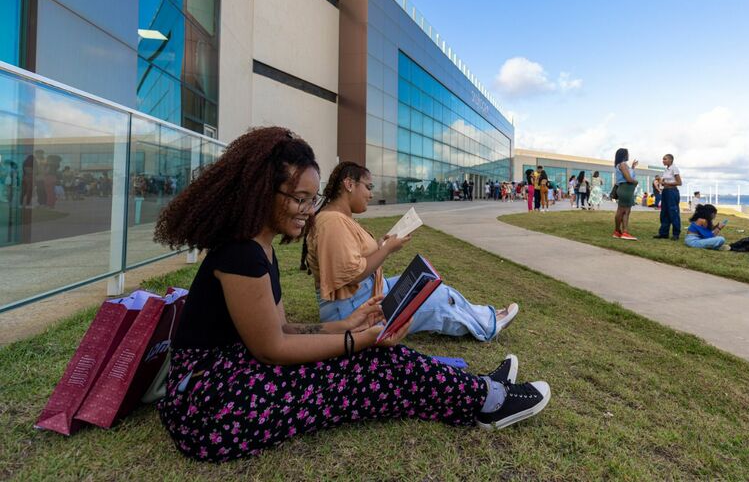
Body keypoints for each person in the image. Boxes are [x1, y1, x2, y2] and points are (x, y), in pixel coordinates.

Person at [152, 128, 550, 462]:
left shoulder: (261, 249)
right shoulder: (240, 253)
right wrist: (355, 340)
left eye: (311, 199)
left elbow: (282, 328)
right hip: (211, 404)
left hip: (235, 376)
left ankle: (478, 389)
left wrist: (344, 325)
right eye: (298, 198)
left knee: (377, 360)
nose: (307, 210)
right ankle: (485, 401)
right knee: (373, 366)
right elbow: (271, 348)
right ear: (261, 192)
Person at [305, 162, 518, 342]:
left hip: (367, 293)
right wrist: (387, 249)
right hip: (354, 310)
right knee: (437, 299)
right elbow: (351, 273)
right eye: (368, 187)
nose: (371, 194)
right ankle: (488, 324)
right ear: (349, 184)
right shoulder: (332, 222)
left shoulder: (337, 218)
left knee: (427, 284)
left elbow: (351, 258)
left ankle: (481, 313)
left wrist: (381, 245)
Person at [653, 154, 682, 240]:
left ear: (670, 160)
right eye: (663, 159)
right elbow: (665, 181)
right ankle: (663, 233)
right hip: (665, 192)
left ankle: (676, 234)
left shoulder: (674, 168)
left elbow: (679, 182)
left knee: (673, 212)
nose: (663, 161)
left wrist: (667, 183)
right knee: (664, 213)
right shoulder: (666, 169)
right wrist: (661, 181)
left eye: (665, 159)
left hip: (672, 192)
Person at [612, 148, 639, 240]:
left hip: (624, 189)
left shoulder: (620, 165)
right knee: (625, 211)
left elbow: (627, 174)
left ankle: (617, 231)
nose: (628, 155)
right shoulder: (623, 165)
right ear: (624, 155)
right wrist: (636, 182)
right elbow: (628, 179)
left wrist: (632, 167)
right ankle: (625, 232)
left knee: (621, 210)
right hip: (626, 189)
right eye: (627, 154)